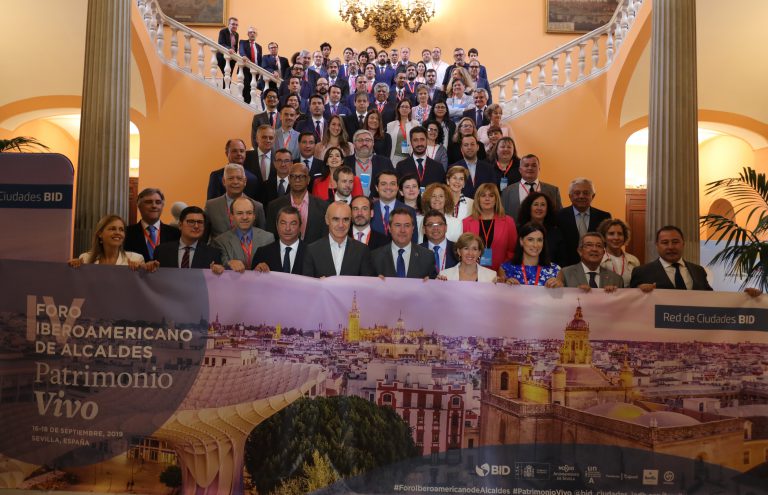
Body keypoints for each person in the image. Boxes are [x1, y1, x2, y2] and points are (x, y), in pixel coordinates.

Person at [303, 201, 375, 277]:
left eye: (346, 219)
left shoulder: (362, 250)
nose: (341, 225)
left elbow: (367, 284)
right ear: (327, 220)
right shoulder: (312, 250)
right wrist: (319, 284)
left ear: (350, 221)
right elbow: (307, 285)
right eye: (336, 219)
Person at [629, 226, 712, 291]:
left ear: (683, 243)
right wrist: (638, 291)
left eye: (675, 242)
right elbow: (632, 302)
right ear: (657, 245)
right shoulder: (642, 272)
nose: (670, 247)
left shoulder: (699, 271)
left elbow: (709, 298)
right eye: (665, 243)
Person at [266, 162, 329, 244]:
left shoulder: (324, 207)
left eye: (302, 176)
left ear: (308, 179)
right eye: (293, 176)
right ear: (289, 179)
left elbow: (324, 239)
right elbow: (271, 239)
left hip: (314, 255)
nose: (297, 180)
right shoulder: (274, 206)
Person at [556, 177, 612, 267]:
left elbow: (607, 245)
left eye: (586, 193)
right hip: (566, 268)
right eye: (577, 193)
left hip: (597, 267)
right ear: (570, 196)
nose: (581, 196)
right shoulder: (558, 216)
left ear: (593, 196)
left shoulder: (604, 217)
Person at [462, 183, 517, 271]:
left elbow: (512, 251)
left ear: (496, 199)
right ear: (478, 199)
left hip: (500, 274)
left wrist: (503, 269)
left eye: (491, 196)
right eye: (483, 195)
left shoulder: (508, 222)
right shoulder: (467, 222)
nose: (487, 199)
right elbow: (463, 250)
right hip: (473, 273)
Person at [211, 196, 274, 272]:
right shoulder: (221, 241)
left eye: (249, 213)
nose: (244, 217)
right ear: (231, 217)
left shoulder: (268, 238)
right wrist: (229, 264)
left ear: (254, 216)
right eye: (239, 213)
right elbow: (222, 265)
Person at [371, 207, 437, 279]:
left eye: (407, 225)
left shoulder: (427, 256)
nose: (402, 230)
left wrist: (437, 281)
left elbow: (433, 287)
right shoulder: (375, 257)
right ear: (389, 228)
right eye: (398, 225)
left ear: (413, 229)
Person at [205, 163, 266, 240]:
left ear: (245, 181)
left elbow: (263, 237)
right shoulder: (211, 206)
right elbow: (204, 238)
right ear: (224, 181)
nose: (235, 182)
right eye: (231, 178)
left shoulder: (257, 206)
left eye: (239, 178)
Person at [152, 206, 224, 272]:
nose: (196, 226)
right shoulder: (161, 251)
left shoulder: (213, 254)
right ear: (180, 225)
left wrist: (219, 272)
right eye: (191, 222)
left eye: (200, 222)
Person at [124, 188, 181, 261]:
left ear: (162, 206)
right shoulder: (127, 233)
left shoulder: (175, 234)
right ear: (139, 206)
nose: (154, 206)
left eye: (158, 202)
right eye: (148, 202)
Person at [501, 154, 563, 221]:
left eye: (534, 165)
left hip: (545, 230)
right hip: (516, 231)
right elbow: (502, 216)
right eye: (526, 165)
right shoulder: (507, 192)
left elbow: (559, 216)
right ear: (520, 170)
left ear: (539, 169)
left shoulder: (553, 191)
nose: (530, 168)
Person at [499, 222, 562, 287]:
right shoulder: (505, 269)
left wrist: (558, 287)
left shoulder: (556, 270)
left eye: (539, 240)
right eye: (530, 240)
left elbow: (560, 296)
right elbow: (501, 295)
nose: (535, 245)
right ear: (521, 241)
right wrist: (505, 286)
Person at [68, 215, 144, 268]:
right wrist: (73, 266)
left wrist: (140, 270)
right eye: (112, 229)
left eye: (121, 230)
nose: (118, 233)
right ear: (100, 233)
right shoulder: (85, 258)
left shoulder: (136, 259)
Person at [558, 232, 623, 291]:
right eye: (589, 245)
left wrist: (612, 295)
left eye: (599, 246)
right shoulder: (565, 274)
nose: (594, 249)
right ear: (580, 251)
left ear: (603, 253)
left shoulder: (616, 279)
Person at [516, 191, 566, 266]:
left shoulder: (556, 232)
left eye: (543, 205)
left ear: (547, 209)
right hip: (522, 273)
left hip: (551, 275)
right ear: (529, 208)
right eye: (536, 204)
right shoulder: (518, 230)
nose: (539, 208)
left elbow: (562, 260)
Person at [252, 206, 306, 274]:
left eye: (293, 224)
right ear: (277, 226)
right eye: (283, 223)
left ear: (300, 227)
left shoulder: (311, 253)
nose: (287, 229)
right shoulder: (262, 253)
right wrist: (256, 272)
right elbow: (253, 281)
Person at [344, 130, 395, 197]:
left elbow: (393, 184)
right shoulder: (345, 162)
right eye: (360, 140)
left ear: (373, 143)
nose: (364, 143)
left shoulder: (385, 162)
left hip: (377, 204)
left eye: (368, 140)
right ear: (353, 144)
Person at [597, 218, 641, 287]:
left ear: (625, 237)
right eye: (611, 234)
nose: (616, 237)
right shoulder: (597, 259)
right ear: (603, 237)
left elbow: (637, 284)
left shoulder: (633, 260)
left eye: (620, 234)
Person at [420, 209, 459, 273]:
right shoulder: (416, 251)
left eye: (440, 224)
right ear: (424, 229)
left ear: (446, 227)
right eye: (430, 225)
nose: (435, 228)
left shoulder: (457, 249)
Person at [385, 99, 418, 165]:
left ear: (410, 109)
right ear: (398, 109)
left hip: (409, 158)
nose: (404, 109)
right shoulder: (391, 125)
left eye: (407, 107)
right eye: (402, 106)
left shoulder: (415, 124)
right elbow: (387, 144)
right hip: (394, 158)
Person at [238, 26, 262, 103]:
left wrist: (261, 70)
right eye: (250, 32)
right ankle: (247, 104)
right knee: (246, 86)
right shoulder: (242, 42)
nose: (252, 34)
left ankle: (251, 103)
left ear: (256, 34)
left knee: (253, 88)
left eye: (254, 32)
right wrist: (243, 55)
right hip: (245, 69)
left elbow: (260, 59)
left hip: (255, 71)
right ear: (248, 34)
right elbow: (241, 50)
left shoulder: (259, 47)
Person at [216, 17, 238, 82]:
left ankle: (226, 91)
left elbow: (235, 47)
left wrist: (236, 57)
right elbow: (221, 43)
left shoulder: (236, 34)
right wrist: (229, 48)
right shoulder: (223, 31)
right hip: (222, 58)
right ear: (229, 24)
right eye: (233, 24)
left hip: (232, 59)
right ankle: (225, 91)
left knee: (229, 78)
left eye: (236, 25)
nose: (235, 26)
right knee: (226, 76)